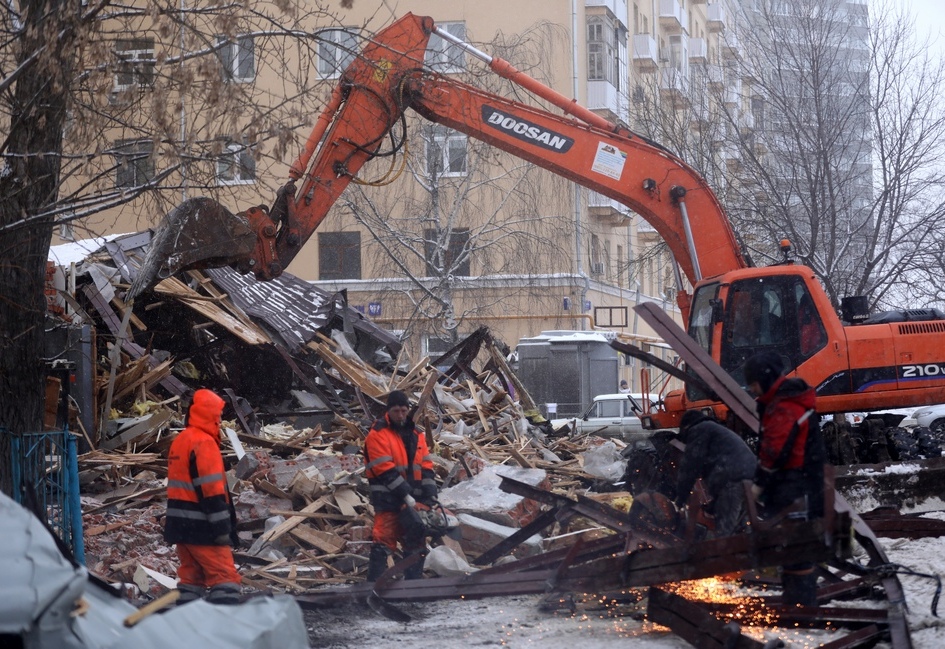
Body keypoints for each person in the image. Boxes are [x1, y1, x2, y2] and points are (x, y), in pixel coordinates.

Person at [744, 351, 826, 607]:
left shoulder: (784, 406)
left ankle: (800, 603)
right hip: (801, 480)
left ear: (765, 378)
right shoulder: (782, 401)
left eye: (753, 382)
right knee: (794, 542)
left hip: (794, 483)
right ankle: (797, 598)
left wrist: (759, 483)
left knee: (795, 542)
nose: (751, 388)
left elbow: (774, 451)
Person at [164, 389, 241, 604]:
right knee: (225, 577)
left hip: (179, 525)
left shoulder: (181, 440)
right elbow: (211, 490)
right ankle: (224, 626)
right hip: (202, 526)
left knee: (191, 578)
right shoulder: (204, 443)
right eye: (219, 414)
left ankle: (188, 622)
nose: (221, 418)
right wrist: (222, 529)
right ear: (211, 414)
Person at [363, 390, 437, 581]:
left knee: (415, 542)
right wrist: (406, 495)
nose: (401, 415)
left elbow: (426, 466)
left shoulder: (417, 434)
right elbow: (384, 470)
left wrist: (430, 495)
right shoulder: (378, 434)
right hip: (388, 499)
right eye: (396, 411)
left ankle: (413, 587)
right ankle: (373, 587)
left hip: (413, 500)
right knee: (384, 539)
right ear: (389, 411)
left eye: (404, 410)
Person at [673, 410, 756, 537]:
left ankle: (727, 555)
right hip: (750, 475)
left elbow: (689, 467)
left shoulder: (699, 430)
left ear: (686, 427)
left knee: (725, 532)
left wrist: (680, 499)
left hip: (732, 479)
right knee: (741, 527)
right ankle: (749, 554)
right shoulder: (715, 430)